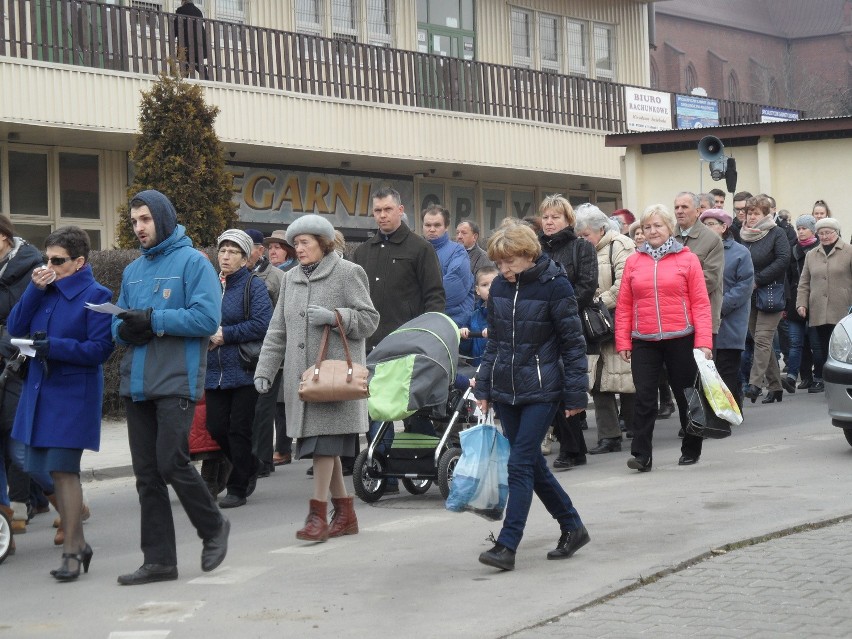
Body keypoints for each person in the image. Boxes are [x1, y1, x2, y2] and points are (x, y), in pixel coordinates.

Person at [113, 189, 229, 586]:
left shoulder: (195, 262)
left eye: (145, 219)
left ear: (161, 218)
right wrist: (126, 328)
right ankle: (160, 561)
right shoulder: (132, 270)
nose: (139, 228)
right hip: (138, 382)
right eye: (134, 222)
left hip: (177, 379)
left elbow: (206, 319)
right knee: (146, 475)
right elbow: (117, 325)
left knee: (171, 462)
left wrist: (155, 321)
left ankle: (213, 527)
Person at [254, 214, 378, 542]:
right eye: (296, 243)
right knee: (327, 450)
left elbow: (369, 320)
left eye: (305, 242)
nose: (299, 248)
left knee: (323, 448)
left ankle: (317, 516)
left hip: (334, 382)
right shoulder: (290, 278)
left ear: (323, 243)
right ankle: (346, 515)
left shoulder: (348, 273)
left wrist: (336, 317)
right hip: (305, 383)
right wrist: (265, 369)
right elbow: (277, 329)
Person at [474, 221, 589, 571]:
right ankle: (572, 526)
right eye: (500, 263)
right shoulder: (500, 289)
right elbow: (494, 342)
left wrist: (575, 395)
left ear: (528, 255)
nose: (504, 270)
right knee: (533, 465)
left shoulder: (556, 285)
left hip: (542, 389)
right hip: (507, 389)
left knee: (520, 464)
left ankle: (508, 545)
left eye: (510, 263)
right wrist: (484, 387)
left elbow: (573, 343)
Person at [7, 226, 113, 580]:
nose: (49, 266)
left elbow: (100, 350)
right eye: (46, 259)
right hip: (39, 391)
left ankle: (72, 550)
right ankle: (79, 546)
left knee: (65, 470)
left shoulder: (98, 294)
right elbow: (15, 327)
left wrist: (55, 347)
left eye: (58, 260)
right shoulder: (44, 289)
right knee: (48, 468)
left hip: (73, 396)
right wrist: (35, 291)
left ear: (79, 261)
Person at [353, 187, 444, 490]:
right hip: (372, 343)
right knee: (377, 409)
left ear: (401, 209)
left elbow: (434, 297)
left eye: (387, 210)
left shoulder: (420, 248)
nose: (382, 216)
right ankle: (383, 472)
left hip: (409, 344)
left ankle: (427, 463)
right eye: (377, 211)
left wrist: (430, 338)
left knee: (413, 410)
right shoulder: (363, 252)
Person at [616, 204, 713, 471]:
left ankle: (692, 446)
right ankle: (642, 455)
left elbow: (701, 303)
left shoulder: (687, 258)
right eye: (647, 227)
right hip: (644, 339)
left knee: (686, 394)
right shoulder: (633, 261)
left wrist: (703, 341)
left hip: (681, 336)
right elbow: (624, 304)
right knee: (645, 398)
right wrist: (623, 340)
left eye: (658, 225)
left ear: (670, 228)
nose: (652, 231)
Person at [205, 230, 273, 508]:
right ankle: (250, 463)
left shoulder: (253, 286)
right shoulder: (209, 286)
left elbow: (263, 324)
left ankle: (237, 487)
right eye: (223, 250)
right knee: (216, 427)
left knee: (238, 429)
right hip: (213, 370)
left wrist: (226, 335)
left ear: (245, 259)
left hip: (244, 369)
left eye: (233, 252)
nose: (225, 256)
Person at [538, 195, 598, 470]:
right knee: (549, 388)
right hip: (539, 328)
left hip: (568, 326)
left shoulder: (581, 247)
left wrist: (557, 309)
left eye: (555, 217)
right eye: (546, 217)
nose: (549, 222)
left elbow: (587, 286)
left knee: (566, 387)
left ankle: (572, 448)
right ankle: (573, 446)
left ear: (568, 220)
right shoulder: (535, 249)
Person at [575, 208, 636, 455]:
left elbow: (625, 284)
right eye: (579, 234)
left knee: (627, 377)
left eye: (586, 233)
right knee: (599, 381)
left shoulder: (621, 245)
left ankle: (636, 425)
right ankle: (609, 436)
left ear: (601, 228)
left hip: (616, 319)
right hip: (593, 325)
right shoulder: (582, 249)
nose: (582, 238)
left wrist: (596, 302)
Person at [0, 215, 43, 543]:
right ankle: (18, 506)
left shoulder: (32, 267)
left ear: (3, 239)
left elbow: (30, 318)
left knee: (16, 438)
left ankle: (23, 503)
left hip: (20, 363)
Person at [699, 209, 754, 411]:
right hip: (704, 321)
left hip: (730, 321)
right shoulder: (697, 250)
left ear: (724, 227)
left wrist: (717, 307)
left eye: (712, 224)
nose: (707, 228)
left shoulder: (740, 252)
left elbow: (745, 285)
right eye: (704, 224)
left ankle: (730, 410)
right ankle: (714, 410)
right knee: (707, 370)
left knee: (727, 369)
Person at [740, 195, 791, 404]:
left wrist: (758, 280)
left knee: (762, 339)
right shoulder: (743, 235)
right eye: (749, 213)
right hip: (749, 294)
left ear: (766, 214)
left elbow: (783, 260)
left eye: (756, 213)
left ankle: (754, 384)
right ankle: (776, 386)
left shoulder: (776, 232)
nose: (751, 217)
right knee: (762, 341)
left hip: (772, 292)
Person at [244, 229, 285, 477]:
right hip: (245, 354)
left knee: (263, 408)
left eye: (247, 247)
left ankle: (260, 459)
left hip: (270, 353)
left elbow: (283, 318)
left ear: (259, 250)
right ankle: (261, 458)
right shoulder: (236, 276)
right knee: (250, 408)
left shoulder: (277, 277)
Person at [797, 217, 852, 394]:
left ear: (836, 233)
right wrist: (801, 304)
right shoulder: (811, 255)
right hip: (818, 308)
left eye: (828, 232)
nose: (825, 236)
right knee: (820, 348)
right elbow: (804, 282)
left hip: (843, 307)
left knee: (843, 347)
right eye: (821, 233)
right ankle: (823, 379)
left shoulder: (849, 251)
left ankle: (842, 381)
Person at [263, 229, 296, 465]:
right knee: (275, 402)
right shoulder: (267, 273)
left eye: (278, 247)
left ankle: (284, 448)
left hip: (288, 344)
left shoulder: (290, 275)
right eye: (270, 247)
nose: (273, 251)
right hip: (273, 343)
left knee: (283, 401)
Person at [674, 191, 724, 336]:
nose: (679, 211)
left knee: (700, 359)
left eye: (684, 207)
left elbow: (710, 279)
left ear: (697, 211)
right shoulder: (667, 237)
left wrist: (674, 290)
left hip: (701, 318)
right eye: (676, 207)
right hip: (672, 319)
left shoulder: (712, 240)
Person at [784, 215, 821, 392]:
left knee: (815, 343)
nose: (800, 231)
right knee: (796, 342)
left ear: (813, 230)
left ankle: (819, 376)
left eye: (804, 228)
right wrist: (787, 302)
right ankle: (798, 376)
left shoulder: (820, 249)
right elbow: (789, 278)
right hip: (795, 302)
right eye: (798, 228)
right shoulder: (793, 250)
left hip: (816, 302)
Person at [422, 204, 474, 329]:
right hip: (423, 322)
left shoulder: (458, 251)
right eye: (428, 225)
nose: (432, 229)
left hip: (452, 323)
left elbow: (453, 287)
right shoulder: (415, 251)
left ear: (446, 227)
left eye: (437, 225)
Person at [459, 265, 497, 367]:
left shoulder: (506, 313)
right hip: (477, 368)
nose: (490, 288)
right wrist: (464, 338)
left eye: (493, 284)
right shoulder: (473, 316)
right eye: (484, 285)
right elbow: (466, 351)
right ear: (477, 290)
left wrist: (493, 333)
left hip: (498, 368)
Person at [174, 0, 207, 78]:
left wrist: (173, 35)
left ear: (183, 1)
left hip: (185, 44)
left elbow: (175, 26)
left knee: (184, 66)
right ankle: (207, 78)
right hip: (198, 45)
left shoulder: (180, 10)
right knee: (199, 65)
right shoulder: (198, 12)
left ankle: (184, 83)